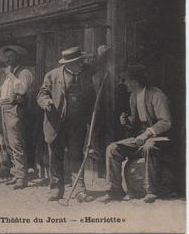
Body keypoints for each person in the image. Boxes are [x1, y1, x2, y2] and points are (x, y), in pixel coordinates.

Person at [37, 45, 110, 202]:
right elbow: (41, 94)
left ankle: (79, 190)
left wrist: (102, 54)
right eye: (78, 62)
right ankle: (56, 189)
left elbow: (97, 65)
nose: (81, 64)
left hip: (77, 124)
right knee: (55, 157)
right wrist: (46, 102)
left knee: (76, 156)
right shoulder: (52, 76)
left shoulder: (85, 72)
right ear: (68, 64)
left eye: (81, 61)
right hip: (56, 123)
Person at [98, 64, 172, 204]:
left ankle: (152, 191)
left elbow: (166, 122)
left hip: (160, 138)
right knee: (112, 149)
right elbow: (137, 122)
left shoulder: (157, 95)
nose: (124, 83)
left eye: (125, 80)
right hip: (142, 137)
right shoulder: (133, 96)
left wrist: (148, 133)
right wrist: (127, 121)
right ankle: (114, 191)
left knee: (148, 147)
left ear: (135, 82)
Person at [0, 45, 33, 190]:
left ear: (17, 57)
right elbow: (5, 93)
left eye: (10, 57)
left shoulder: (23, 72)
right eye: (6, 58)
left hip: (15, 110)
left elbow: (22, 89)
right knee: (9, 143)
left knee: (16, 143)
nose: (7, 60)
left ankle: (22, 178)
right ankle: (16, 174)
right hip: (5, 109)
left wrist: (11, 75)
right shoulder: (9, 75)